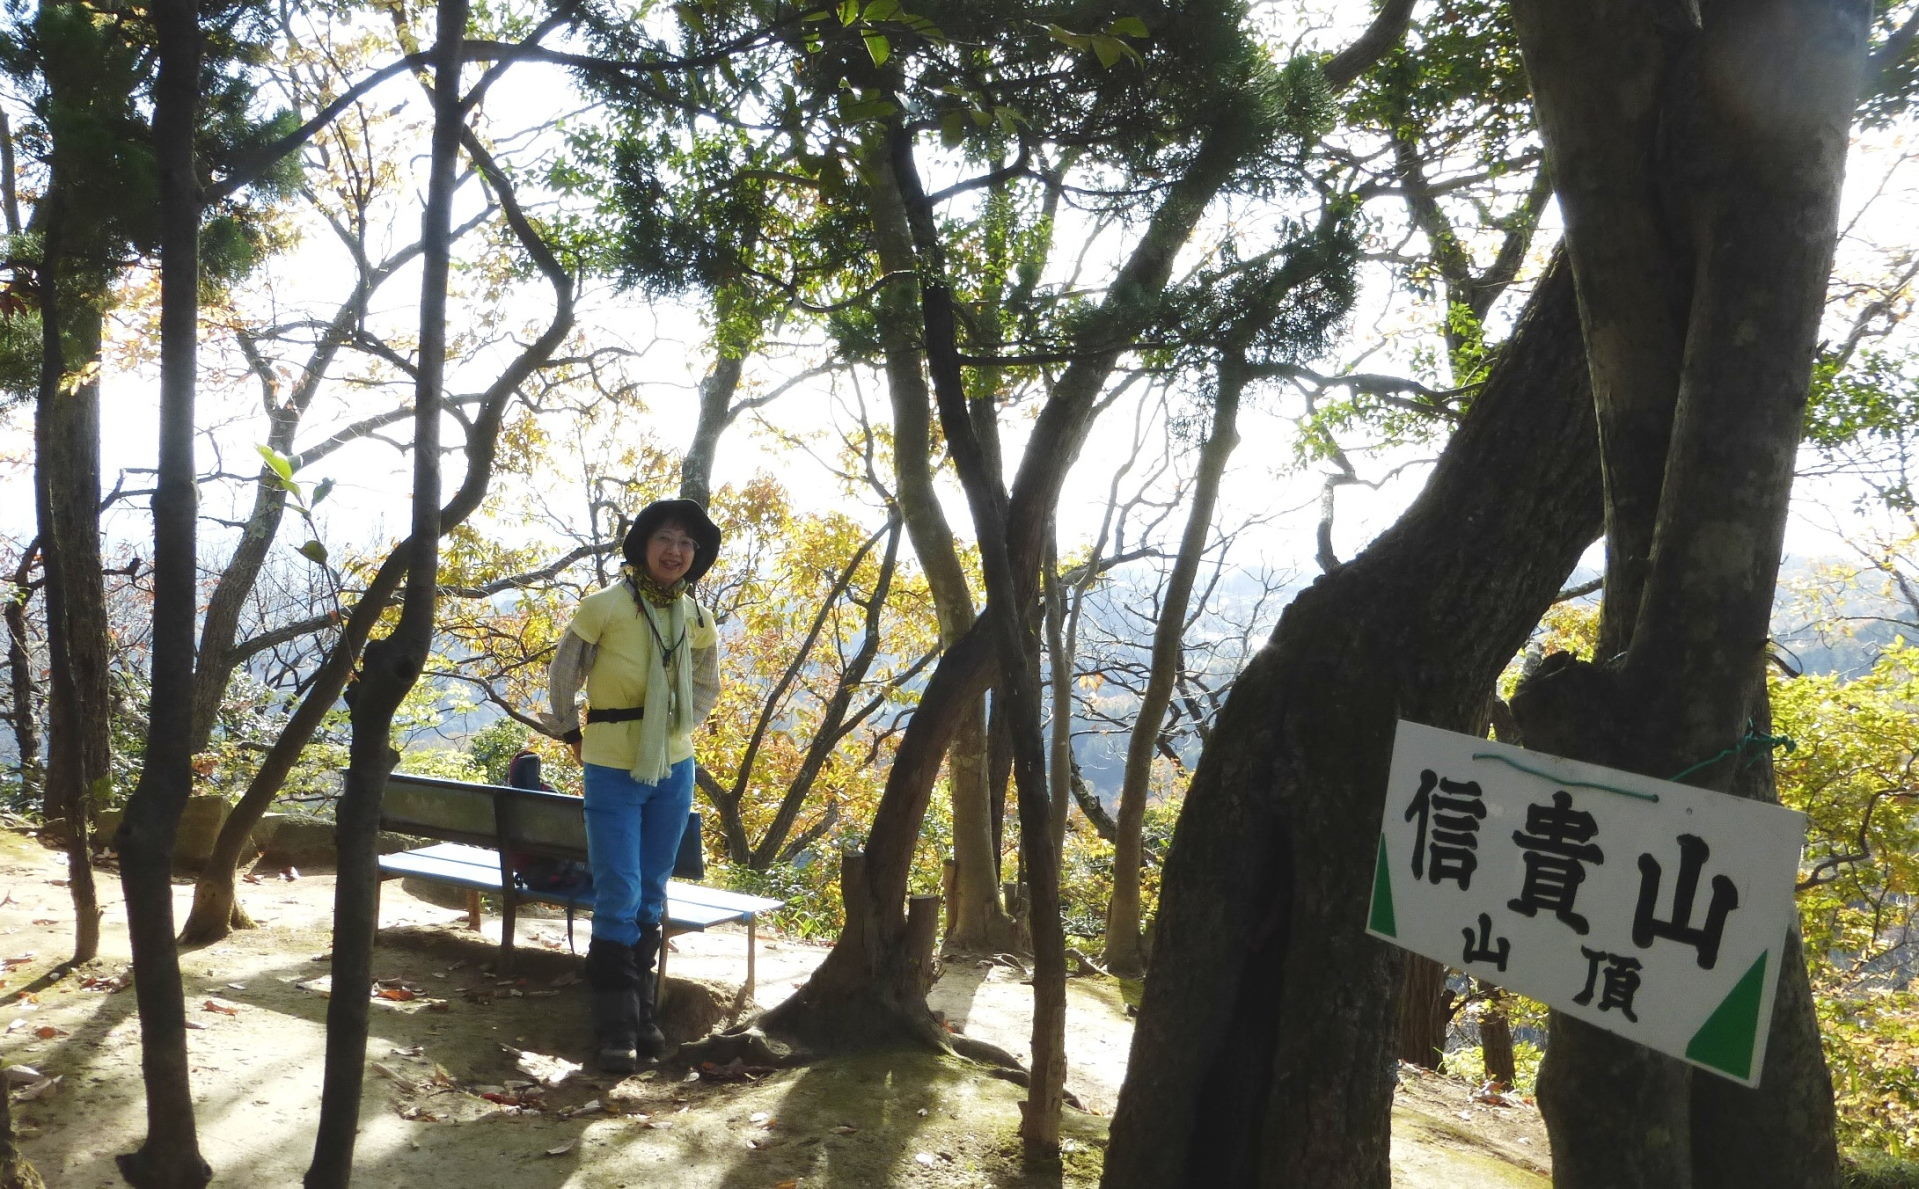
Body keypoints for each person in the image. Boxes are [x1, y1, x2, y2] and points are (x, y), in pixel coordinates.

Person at [542, 499, 722, 1072]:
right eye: (667, 538)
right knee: (618, 888)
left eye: (687, 544)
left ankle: (643, 1014)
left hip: (675, 765)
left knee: (651, 889)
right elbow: (565, 669)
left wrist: (673, 727)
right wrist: (570, 727)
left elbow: (708, 682)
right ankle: (616, 1025)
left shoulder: (695, 616)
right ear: (644, 545)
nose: (676, 551)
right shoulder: (606, 606)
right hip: (611, 764)